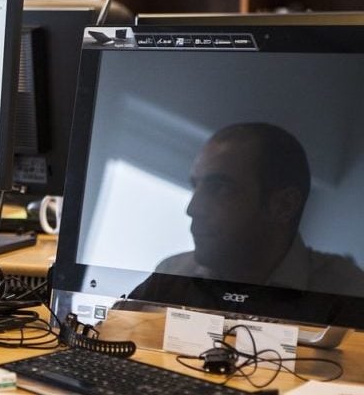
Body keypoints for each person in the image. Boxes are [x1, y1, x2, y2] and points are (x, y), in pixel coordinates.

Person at [134, 122, 364, 300]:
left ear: (284, 205)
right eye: (196, 186)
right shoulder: (171, 274)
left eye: (219, 188)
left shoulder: (349, 293)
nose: (193, 208)